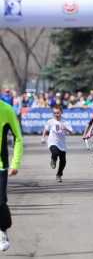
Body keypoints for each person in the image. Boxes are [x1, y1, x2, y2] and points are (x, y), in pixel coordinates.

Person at [0, 99, 23, 251]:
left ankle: (2, 231)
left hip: (0, 166)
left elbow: (18, 138)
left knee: (0, 200)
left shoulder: (7, 110)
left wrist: (15, 163)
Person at [41, 105, 73, 182]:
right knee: (55, 152)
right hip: (52, 141)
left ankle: (59, 175)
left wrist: (65, 128)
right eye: (54, 113)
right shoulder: (50, 121)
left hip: (62, 143)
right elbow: (45, 129)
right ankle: (53, 159)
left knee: (63, 161)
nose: (56, 115)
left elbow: (71, 132)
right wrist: (43, 138)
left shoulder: (65, 122)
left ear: (61, 112)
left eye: (58, 113)